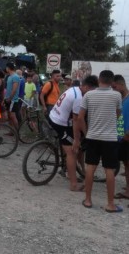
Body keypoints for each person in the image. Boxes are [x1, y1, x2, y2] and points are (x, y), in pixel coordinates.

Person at [75, 70, 122, 212]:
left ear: (99, 80)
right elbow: (117, 114)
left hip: (92, 136)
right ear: (112, 82)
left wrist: (87, 131)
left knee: (90, 167)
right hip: (110, 138)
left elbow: (80, 117)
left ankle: (88, 200)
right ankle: (110, 204)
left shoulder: (89, 95)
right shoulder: (117, 95)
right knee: (109, 169)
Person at [48, 75, 98, 191]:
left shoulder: (74, 88)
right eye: (91, 90)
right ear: (85, 86)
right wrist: (77, 139)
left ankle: (81, 171)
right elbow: (77, 120)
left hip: (55, 116)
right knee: (72, 152)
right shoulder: (79, 98)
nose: (91, 93)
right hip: (60, 123)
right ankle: (73, 184)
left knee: (77, 142)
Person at [112, 75, 129, 200]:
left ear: (121, 85)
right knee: (126, 164)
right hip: (122, 136)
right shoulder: (121, 99)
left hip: (127, 136)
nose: (114, 89)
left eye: (115, 87)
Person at [4, 62, 21, 131]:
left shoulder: (15, 77)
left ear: (8, 68)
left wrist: (10, 98)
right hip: (8, 99)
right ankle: (11, 131)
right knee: (9, 115)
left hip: (13, 99)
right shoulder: (9, 77)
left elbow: (14, 89)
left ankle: (17, 132)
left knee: (12, 116)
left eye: (6, 68)